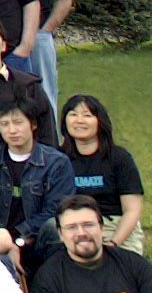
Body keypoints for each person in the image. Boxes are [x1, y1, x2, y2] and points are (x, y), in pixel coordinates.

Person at [0, 100, 75, 271]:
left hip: (37, 240)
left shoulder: (56, 162)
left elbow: (56, 210)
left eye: (18, 122)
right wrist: (3, 241)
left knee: (55, 225)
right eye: (4, 124)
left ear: (33, 124)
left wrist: (19, 241)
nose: (12, 130)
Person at [58, 93, 144, 254]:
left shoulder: (119, 157)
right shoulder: (57, 159)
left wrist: (114, 244)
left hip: (112, 226)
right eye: (73, 115)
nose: (79, 120)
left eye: (87, 115)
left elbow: (132, 210)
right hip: (71, 226)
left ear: (100, 121)